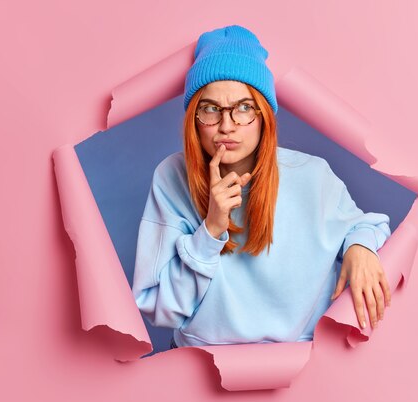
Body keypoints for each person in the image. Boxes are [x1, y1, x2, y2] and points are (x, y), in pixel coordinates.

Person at [132, 25, 392, 349]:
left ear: (263, 115)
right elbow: (161, 309)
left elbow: (365, 225)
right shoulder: (172, 177)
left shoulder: (310, 174)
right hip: (201, 370)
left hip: (297, 371)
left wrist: (361, 247)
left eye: (243, 108)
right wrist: (211, 230)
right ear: (194, 118)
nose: (226, 126)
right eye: (210, 109)